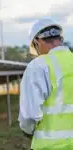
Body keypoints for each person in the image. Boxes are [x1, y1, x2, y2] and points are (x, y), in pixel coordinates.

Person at [18, 18, 73, 150]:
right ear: (60, 39)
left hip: (50, 146)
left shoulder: (38, 66)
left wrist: (27, 130)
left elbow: (29, 116)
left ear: (37, 42)